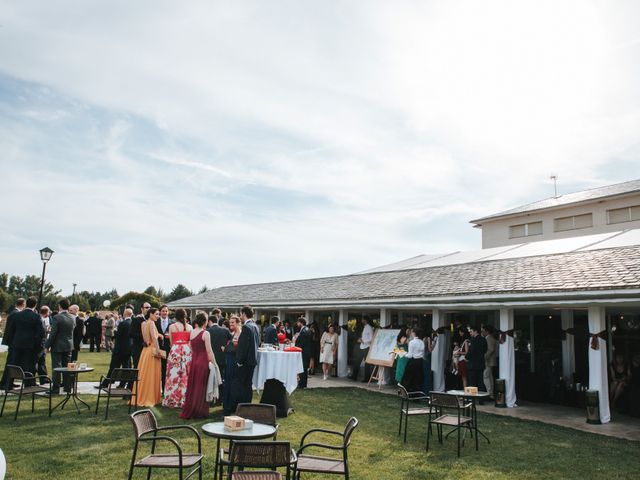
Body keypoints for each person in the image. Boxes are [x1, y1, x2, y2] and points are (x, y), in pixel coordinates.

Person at [180, 311, 216, 419]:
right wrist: (214, 363)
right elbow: (209, 350)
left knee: (194, 385)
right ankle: (200, 411)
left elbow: (190, 346)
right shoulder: (205, 333)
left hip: (194, 360)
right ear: (205, 321)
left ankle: (192, 408)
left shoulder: (191, 332)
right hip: (203, 360)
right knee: (201, 386)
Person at [229, 305, 260, 413]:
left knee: (241, 386)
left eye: (241, 314)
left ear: (244, 314)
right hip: (252, 361)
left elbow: (244, 346)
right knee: (248, 386)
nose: (240, 316)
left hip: (245, 362)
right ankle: (247, 407)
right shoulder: (255, 326)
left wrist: (239, 362)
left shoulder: (247, 327)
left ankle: (240, 408)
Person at [8, 297, 44, 387]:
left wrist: (12, 342)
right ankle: (27, 384)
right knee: (28, 365)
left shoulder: (17, 315)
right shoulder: (36, 316)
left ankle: (9, 383)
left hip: (17, 343)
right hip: (30, 345)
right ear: (35, 305)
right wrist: (38, 345)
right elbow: (40, 332)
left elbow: (11, 330)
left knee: (14, 364)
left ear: (26, 304)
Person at [163, 308, 192, 408]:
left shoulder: (172, 326)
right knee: (185, 374)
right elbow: (190, 342)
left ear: (176, 316)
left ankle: (172, 399)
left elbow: (171, 342)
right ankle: (184, 398)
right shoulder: (190, 327)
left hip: (175, 350)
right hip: (186, 351)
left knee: (173, 375)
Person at [45, 298, 75, 394]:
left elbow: (53, 334)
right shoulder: (73, 317)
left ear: (59, 306)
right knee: (67, 367)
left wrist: (47, 346)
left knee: (56, 367)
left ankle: (56, 388)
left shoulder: (57, 317)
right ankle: (67, 387)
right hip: (69, 345)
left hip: (58, 345)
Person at [99, 307, 133, 388]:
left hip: (119, 349)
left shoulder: (123, 323)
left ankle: (105, 384)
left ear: (125, 314)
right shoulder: (133, 322)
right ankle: (122, 384)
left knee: (113, 367)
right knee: (126, 368)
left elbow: (118, 335)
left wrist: (114, 331)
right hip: (128, 348)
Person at [135, 307, 162, 407]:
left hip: (145, 351)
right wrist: (158, 350)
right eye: (157, 314)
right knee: (151, 374)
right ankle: (150, 397)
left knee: (144, 374)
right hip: (152, 351)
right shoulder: (151, 323)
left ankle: (141, 395)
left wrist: (159, 335)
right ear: (151, 314)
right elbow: (154, 338)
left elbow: (146, 337)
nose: (158, 316)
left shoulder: (143, 323)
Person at [207, 309, 231, 403]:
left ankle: (211, 397)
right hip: (222, 358)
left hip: (211, 359)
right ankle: (220, 398)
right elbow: (231, 341)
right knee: (221, 379)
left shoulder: (207, 331)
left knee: (211, 379)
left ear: (210, 322)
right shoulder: (225, 330)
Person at [1, 298, 25, 389]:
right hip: (14, 342)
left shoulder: (13, 313)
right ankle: (6, 383)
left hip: (12, 342)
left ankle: (9, 382)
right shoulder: (16, 314)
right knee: (12, 362)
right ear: (23, 304)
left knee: (12, 362)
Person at [222, 315, 241, 415]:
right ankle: (228, 405)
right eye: (230, 323)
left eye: (233, 322)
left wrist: (225, 349)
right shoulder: (233, 333)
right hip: (229, 361)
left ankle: (230, 406)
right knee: (228, 382)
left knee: (231, 383)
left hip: (233, 362)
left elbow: (236, 349)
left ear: (238, 323)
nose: (231, 324)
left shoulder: (239, 333)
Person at [155, 305, 173, 393]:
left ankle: (164, 390)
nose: (165, 313)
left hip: (167, 349)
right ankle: (155, 390)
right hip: (157, 348)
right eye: (163, 311)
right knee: (156, 369)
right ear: (160, 312)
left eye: (166, 311)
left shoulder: (172, 322)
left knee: (165, 370)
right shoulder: (155, 321)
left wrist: (170, 336)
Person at [401, 328, 425, 392]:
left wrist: (402, 353)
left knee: (408, 378)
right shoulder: (422, 342)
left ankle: (407, 394)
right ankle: (417, 395)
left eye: (411, 332)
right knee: (417, 379)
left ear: (414, 333)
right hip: (420, 362)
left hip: (413, 362)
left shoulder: (412, 342)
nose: (411, 333)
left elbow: (410, 355)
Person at [467, 325, 488, 393]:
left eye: (471, 332)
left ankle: (472, 398)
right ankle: (481, 399)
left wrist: (466, 357)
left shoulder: (473, 340)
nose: (470, 333)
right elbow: (485, 350)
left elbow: (471, 351)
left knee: (472, 382)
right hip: (481, 363)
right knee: (480, 381)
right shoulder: (483, 339)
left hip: (472, 364)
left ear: (475, 331)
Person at [130, 303, 150, 368]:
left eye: (150, 307)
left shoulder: (153, 320)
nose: (149, 309)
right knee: (138, 367)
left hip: (149, 349)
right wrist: (144, 335)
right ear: (142, 309)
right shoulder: (136, 319)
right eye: (147, 307)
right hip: (138, 348)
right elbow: (131, 334)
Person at [295, 317, 311, 388]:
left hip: (303, 352)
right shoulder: (304, 329)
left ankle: (302, 384)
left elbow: (302, 343)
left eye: (298, 322)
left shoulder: (304, 331)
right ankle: (302, 383)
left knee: (303, 368)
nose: (297, 324)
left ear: (301, 323)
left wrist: (296, 347)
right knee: (303, 368)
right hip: (304, 352)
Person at [482, 325, 498, 397]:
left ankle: (489, 393)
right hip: (489, 360)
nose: (482, 332)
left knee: (486, 376)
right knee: (489, 376)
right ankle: (490, 393)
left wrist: (484, 357)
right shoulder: (489, 338)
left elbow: (491, 349)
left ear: (487, 331)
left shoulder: (489, 338)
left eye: (483, 331)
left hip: (488, 361)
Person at [37, 306, 51, 384]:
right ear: (46, 313)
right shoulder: (39, 319)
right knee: (38, 362)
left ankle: (43, 378)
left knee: (42, 361)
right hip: (39, 344)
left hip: (42, 343)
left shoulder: (42, 319)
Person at [422, 328, 434, 394]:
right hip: (427, 357)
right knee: (428, 374)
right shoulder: (429, 338)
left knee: (425, 374)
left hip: (424, 357)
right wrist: (433, 345)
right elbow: (430, 349)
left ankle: (424, 390)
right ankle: (428, 390)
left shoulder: (424, 338)